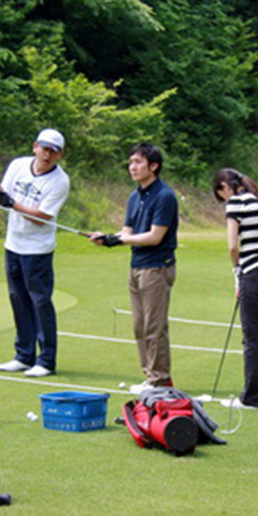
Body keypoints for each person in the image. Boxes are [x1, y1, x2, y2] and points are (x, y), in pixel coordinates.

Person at [90, 143, 179, 394]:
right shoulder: (134, 196)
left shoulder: (165, 196)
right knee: (139, 326)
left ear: (154, 166)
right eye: (130, 162)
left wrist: (116, 239)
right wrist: (107, 238)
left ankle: (161, 380)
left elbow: (154, 237)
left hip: (157, 268)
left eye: (138, 162)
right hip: (137, 266)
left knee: (154, 326)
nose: (132, 167)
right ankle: (150, 376)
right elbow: (128, 232)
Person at [0, 128, 70, 378]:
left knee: (40, 301)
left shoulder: (60, 181)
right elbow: (1, 199)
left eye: (53, 151)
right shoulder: (18, 165)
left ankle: (46, 360)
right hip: (13, 244)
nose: (47, 155)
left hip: (37, 250)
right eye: (44, 148)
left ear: (60, 155)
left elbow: (42, 218)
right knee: (18, 299)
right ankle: (24, 355)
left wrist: (11, 203)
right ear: (35, 146)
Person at [212, 169, 258, 410]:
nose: (223, 200)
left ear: (225, 186)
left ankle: (249, 399)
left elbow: (233, 247)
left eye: (220, 194)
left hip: (254, 272)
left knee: (252, 337)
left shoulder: (234, 204)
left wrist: (237, 272)